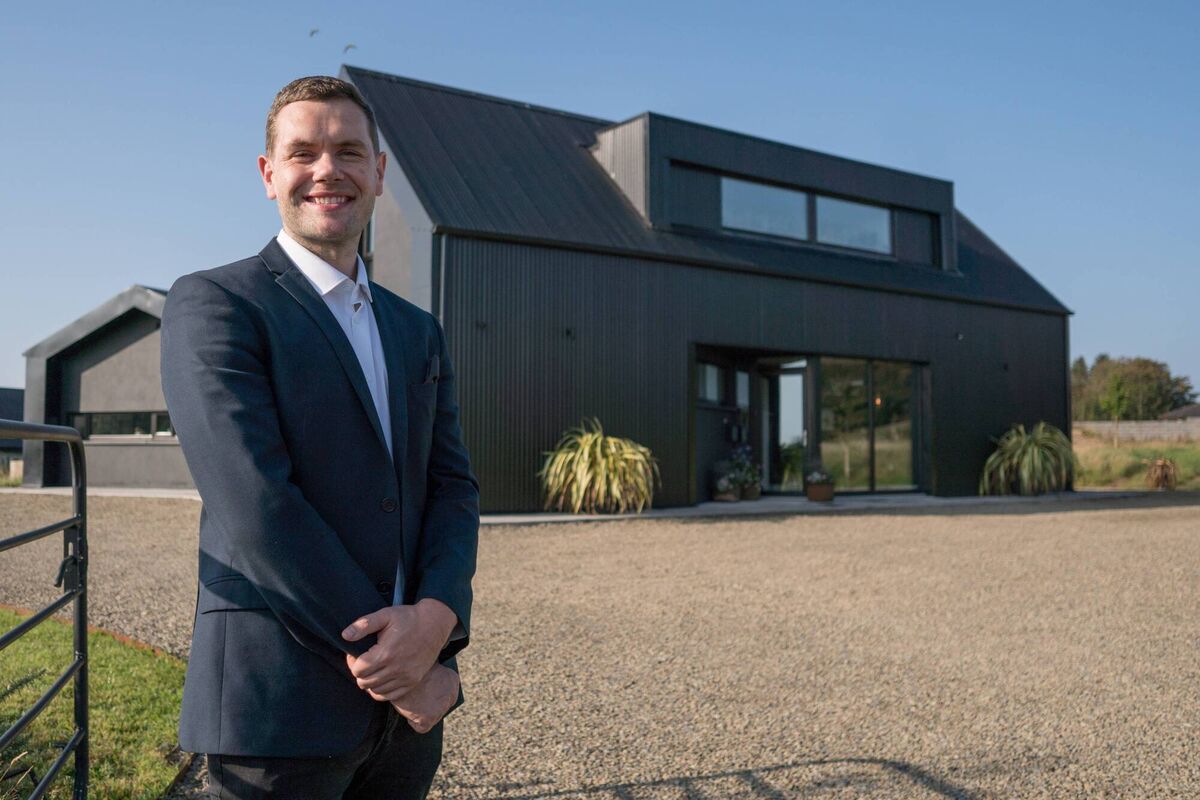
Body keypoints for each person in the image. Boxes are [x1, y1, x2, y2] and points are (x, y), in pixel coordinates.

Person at [160, 76, 479, 799]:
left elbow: (452, 488)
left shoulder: (416, 329)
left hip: (405, 732)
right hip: (279, 710)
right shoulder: (215, 303)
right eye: (302, 152)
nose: (327, 169)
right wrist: (399, 662)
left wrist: (438, 619)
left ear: (379, 173)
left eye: (348, 151)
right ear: (269, 174)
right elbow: (256, 502)